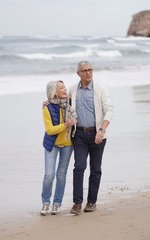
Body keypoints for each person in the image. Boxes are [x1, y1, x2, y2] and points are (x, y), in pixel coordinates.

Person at [69, 60, 114, 215]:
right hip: (79, 135)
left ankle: (91, 202)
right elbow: (63, 104)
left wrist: (102, 130)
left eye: (90, 70)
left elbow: (109, 110)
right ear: (78, 73)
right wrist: (48, 102)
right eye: (84, 70)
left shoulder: (100, 89)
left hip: (97, 134)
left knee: (95, 169)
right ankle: (77, 203)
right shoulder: (73, 90)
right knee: (79, 167)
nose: (88, 72)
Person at [41, 80, 78, 216]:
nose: (65, 89)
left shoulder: (70, 103)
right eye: (61, 88)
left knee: (61, 176)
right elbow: (50, 130)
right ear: (54, 92)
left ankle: (56, 204)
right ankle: (45, 202)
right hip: (52, 144)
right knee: (49, 175)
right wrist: (66, 124)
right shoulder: (47, 107)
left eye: (64, 87)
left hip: (68, 145)